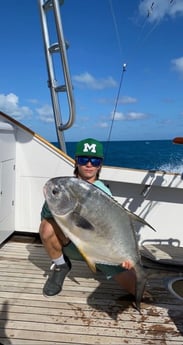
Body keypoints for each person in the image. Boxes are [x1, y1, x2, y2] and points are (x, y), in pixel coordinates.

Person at [39, 138, 136, 298]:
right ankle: (60, 266)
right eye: (84, 160)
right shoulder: (64, 187)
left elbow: (114, 229)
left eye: (94, 160)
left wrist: (124, 256)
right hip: (71, 243)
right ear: (76, 161)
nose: (89, 164)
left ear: (100, 164)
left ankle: (102, 265)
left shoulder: (104, 193)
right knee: (46, 227)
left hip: (99, 248)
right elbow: (46, 221)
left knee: (137, 288)